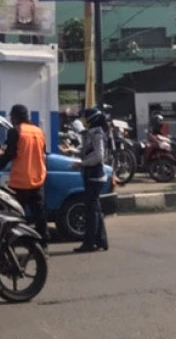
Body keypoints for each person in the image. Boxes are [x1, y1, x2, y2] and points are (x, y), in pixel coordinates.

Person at [0, 104, 49, 249]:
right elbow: (43, 152)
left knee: (14, 215)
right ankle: (43, 246)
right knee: (40, 215)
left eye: (11, 117)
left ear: (15, 117)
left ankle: (10, 246)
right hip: (38, 180)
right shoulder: (39, 131)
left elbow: (11, 153)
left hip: (21, 181)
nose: (11, 120)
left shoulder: (16, 131)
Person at [71, 108, 109, 253]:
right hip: (92, 175)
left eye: (85, 119)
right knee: (95, 210)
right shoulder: (92, 133)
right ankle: (101, 241)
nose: (83, 122)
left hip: (95, 176)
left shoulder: (97, 134)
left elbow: (99, 156)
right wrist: (72, 151)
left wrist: (82, 163)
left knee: (91, 211)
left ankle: (90, 243)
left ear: (91, 120)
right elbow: (87, 150)